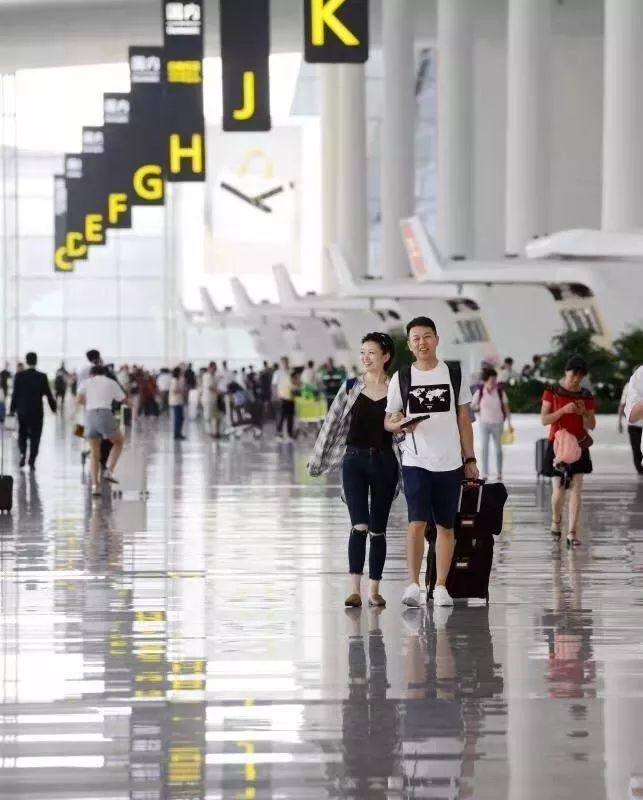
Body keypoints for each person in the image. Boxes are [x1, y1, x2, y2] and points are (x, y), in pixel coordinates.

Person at [385, 316, 478, 608]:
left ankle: (440, 586)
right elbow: (389, 421)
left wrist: (470, 458)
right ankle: (413, 584)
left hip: (449, 462)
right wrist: (401, 425)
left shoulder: (453, 374)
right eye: (416, 338)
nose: (422, 342)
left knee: (445, 526)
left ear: (437, 339)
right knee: (416, 521)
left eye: (427, 336)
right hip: (415, 460)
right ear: (409, 345)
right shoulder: (401, 378)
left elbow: (464, 419)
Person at [309, 333, 398, 608]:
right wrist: (317, 460)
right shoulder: (350, 387)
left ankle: (374, 590)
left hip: (385, 462)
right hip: (354, 461)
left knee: (378, 530)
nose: (365, 358)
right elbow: (331, 423)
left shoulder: (396, 390)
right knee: (359, 525)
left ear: (385, 356)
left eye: (371, 353)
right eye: (362, 353)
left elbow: (402, 430)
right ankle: (354, 590)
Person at [540, 355, 596, 548]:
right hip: (558, 445)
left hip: (579, 445)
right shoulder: (552, 391)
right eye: (573, 375)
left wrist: (583, 413)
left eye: (580, 377)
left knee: (577, 489)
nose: (576, 380)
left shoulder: (586, 395)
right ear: (566, 372)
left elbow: (592, 424)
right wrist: (564, 410)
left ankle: (572, 532)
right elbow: (544, 420)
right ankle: (556, 520)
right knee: (558, 489)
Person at [77, 365, 126, 496]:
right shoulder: (111, 382)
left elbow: (79, 400)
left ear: (91, 374)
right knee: (119, 442)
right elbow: (122, 399)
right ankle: (109, 471)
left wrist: (90, 402)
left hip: (90, 416)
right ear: (104, 373)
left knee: (94, 453)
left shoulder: (86, 382)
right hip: (105, 414)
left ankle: (95, 486)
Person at [9, 352, 56, 470]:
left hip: (23, 411)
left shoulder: (19, 376)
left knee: (22, 434)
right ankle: (32, 460)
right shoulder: (42, 376)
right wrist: (54, 408)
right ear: (36, 361)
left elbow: (15, 394)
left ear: (26, 361)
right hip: (37, 411)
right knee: (36, 436)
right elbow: (48, 394)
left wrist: (12, 410)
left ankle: (23, 453)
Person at [471, 367, 512, 482]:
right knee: (484, 449)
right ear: (486, 380)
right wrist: (477, 407)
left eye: (495, 379)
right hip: (484, 424)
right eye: (492, 380)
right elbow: (472, 406)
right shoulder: (480, 392)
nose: (494, 382)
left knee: (498, 449)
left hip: (498, 423)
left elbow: (506, 408)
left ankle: (499, 472)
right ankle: (485, 473)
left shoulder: (500, 392)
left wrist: (510, 423)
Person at [618, 372, 643, 476]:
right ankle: (640, 470)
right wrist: (619, 422)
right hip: (634, 425)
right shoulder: (629, 386)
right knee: (636, 449)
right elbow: (623, 404)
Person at [273, 357, 295, 441]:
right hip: (282, 397)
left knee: (290, 416)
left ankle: (290, 434)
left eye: (286, 362)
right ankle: (278, 433)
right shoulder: (277, 373)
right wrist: (276, 395)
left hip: (291, 397)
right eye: (283, 362)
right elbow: (274, 385)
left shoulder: (291, 371)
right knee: (281, 416)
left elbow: (294, 382)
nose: (285, 364)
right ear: (281, 363)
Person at [169, 367, 186, 441]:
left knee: (180, 418)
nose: (182, 373)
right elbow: (174, 390)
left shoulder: (178, 380)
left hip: (179, 401)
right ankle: (176, 434)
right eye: (181, 372)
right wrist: (181, 390)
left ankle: (178, 433)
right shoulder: (174, 380)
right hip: (175, 402)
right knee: (178, 418)